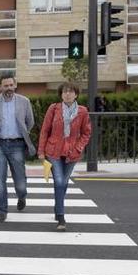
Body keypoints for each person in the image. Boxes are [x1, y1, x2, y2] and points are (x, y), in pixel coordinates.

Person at [38, 82, 92, 231]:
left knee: (64, 182)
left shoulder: (82, 111)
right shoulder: (53, 109)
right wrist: (41, 152)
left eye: (70, 91)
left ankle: (57, 207)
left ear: (76, 94)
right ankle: (61, 217)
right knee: (60, 181)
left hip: (72, 153)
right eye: (64, 92)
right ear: (61, 94)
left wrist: (79, 147)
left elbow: (86, 133)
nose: (67, 94)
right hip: (53, 150)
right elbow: (44, 131)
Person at [0, 73, 35, 223]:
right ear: (0, 87)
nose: (9, 88)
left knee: (20, 182)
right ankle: (2, 209)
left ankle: (22, 196)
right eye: (5, 86)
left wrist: (22, 133)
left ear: (15, 85)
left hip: (17, 144)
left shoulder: (24, 101)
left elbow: (29, 122)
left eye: (11, 85)